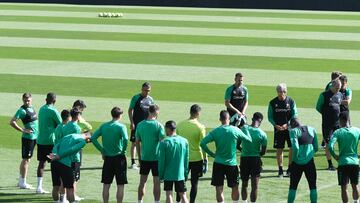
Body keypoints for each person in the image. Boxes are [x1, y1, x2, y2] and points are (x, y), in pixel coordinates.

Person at [201, 110, 252, 203]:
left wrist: (212, 154)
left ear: (220, 119)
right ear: (229, 119)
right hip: (232, 164)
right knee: (235, 187)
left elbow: (202, 143)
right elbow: (249, 140)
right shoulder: (235, 130)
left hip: (218, 163)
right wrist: (245, 128)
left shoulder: (215, 131)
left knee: (219, 189)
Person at [91, 107, 128, 203]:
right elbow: (126, 139)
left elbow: (93, 138)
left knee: (106, 184)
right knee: (120, 184)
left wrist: (102, 150)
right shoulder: (121, 127)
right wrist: (123, 150)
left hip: (108, 159)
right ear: (120, 116)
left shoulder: (104, 126)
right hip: (119, 158)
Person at [175, 104, 207, 203]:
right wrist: (205, 159)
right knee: (194, 183)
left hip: (183, 158)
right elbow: (203, 144)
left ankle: (177, 201)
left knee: (181, 181)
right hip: (197, 158)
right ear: (198, 113)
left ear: (190, 112)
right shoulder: (200, 127)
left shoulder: (180, 125)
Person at [49, 132, 91, 203]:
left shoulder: (69, 135)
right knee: (70, 188)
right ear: (88, 138)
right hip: (65, 164)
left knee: (56, 186)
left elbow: (57, 145)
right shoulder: (82, 141)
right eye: (89, 141)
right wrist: (60, 156)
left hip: (54, 162)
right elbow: (72, 149)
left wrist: (54, 154)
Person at [136, 104, 165, 203]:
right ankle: (156, 202)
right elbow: (163, 144)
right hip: (156, 159)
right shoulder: (159, 125)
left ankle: (140, 201)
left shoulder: (140, 125)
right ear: (157, 112)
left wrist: (139, 157)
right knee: (157, 183)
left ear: (148, 111)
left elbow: (137, 142)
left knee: (142, 182)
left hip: (144, 158)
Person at [329, 111, 360, 203]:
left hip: (343, 163)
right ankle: (356, 202)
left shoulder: (338, 132)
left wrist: (335, 156)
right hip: (355, 162)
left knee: (344, 188)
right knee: (355, 186)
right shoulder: (357, 130)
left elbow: (330, 146)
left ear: (340, 120)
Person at [268, 83, 298, 177]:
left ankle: (290, 168)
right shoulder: (272, 103)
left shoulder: (291, 101)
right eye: (280, 91)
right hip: (278, 129)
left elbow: (295, 114)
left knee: (291, 148)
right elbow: (270, 116)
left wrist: (288, 124)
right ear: (277, 92)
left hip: (289, 129)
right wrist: (275, 125)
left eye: (284, 91)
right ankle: (280, 169)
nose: (282, 93)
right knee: (279, 149)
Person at [9, 93, 38, 189]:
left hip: (34, 137)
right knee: (26, 159)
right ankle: (22, 182)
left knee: (27, 159)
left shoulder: (32, 108)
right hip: (28, 138)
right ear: (22, 100)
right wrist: (23, 130)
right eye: (25, 100)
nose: (27, 102)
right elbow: (12, 122)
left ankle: (21, 181)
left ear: (31, 99)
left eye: (28, 100)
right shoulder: (22, 111)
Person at [287, 118, 318, 203]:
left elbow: (295, 147)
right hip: (310, 162)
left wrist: (294, 159)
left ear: (293, 124)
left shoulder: (293, 131)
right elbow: (316, 147)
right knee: (313, 186)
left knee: (293, 186)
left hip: (297, 163)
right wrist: (308, 155)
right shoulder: (312, 129)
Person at [239, 112, 267, 203]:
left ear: (252, 119)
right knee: (254, 186)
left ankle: (244, 202)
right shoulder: (262, 134)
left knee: (244, 184)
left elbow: (237, 145)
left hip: (244, 159)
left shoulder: (243, 129)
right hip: (255, 160)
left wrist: (243, 150)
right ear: (261, 121)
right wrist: (257, 153)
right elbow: (263, 151)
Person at [158, 120, 189, 203]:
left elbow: (161, 161)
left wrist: (161, 175)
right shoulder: (184, 141)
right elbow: (186, 159)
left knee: (169, 195)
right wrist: (185, 173)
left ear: (168, 129)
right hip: (180, 173)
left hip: (168, 174)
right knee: (183, 195)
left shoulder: (164, 142)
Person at [37, 92, 62, 193]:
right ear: (54, 101)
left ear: (45, 99)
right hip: (51, 142)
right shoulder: (54, 111)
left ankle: (39, 187)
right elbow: (60, 124)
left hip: (40, 140)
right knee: (55, 165)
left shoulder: (41, 109)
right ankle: (57, 189)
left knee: (41, 164)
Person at [316, 79, 343, 171]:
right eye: (337, 88)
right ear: (332, 86)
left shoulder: (340, 94)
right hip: (327, 124)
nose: (338, 90)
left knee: (341, 142)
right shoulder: (324, 95)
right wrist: (326, 114)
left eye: (339, 88)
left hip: (337, 123)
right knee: (328, 143)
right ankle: (330, 164)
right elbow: (318, 107)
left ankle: (341, 162)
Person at [128, 82, 154, 169]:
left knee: (144, 143)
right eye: (145, 90)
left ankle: (142, 161)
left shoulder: (151, 99)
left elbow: (153, 112)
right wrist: (132, 122)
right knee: (134, 143)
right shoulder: (136, 98)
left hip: (147, 126)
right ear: (142, 89)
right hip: (137, 125)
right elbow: (130, 110)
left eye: (148, 90)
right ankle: (133, 162)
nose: (147, 92)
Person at [62, 108, 83, 201]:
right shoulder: (77, 128)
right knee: (74, 179)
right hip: (74, 156)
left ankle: (64, 197)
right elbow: (78, 142)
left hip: (65, 156)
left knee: (66, 177)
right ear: (78, 116)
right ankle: (73, 197)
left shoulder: (65, 126)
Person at [53, 109, 71, 203]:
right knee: (63, 180)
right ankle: (62, 199)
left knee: (56, 183)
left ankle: (58, 200)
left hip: (55, 154)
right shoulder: (66, 128)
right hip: (62, 156)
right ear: (68, 117)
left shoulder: (58, 127)